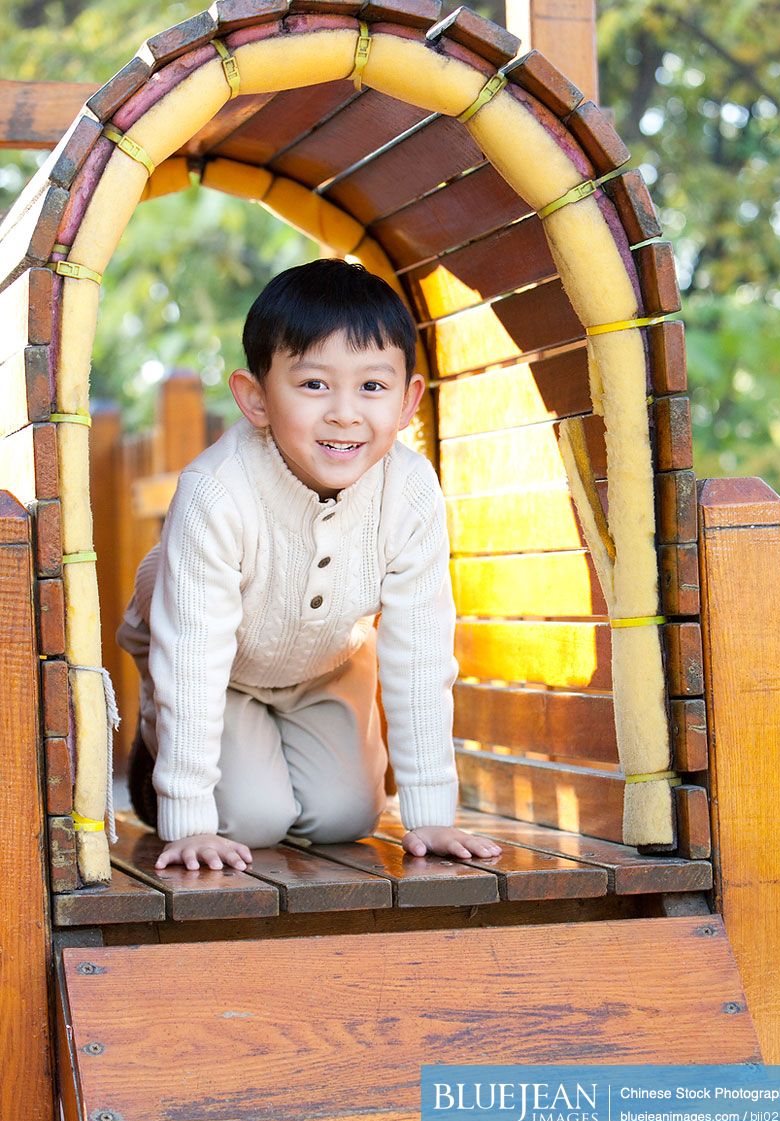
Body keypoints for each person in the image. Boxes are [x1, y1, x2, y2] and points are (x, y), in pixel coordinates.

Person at [116, 258, 503, 873]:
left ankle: (285, 749)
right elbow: (192, 654)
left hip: (324, 660)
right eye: (314, 384)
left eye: (372, 387)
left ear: (408, 402)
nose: (345, 413)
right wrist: (186, 818)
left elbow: (422, 649)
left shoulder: (411, 492)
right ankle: (154, 752)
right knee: (251, 822)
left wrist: (432, 814)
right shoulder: (217, 491)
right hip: (214, 658)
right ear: (256, 398)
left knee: (346, 818)